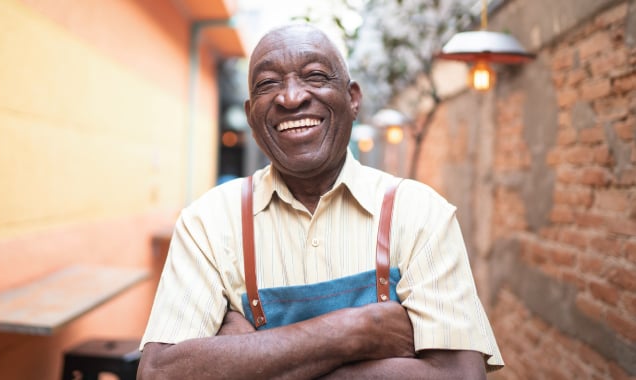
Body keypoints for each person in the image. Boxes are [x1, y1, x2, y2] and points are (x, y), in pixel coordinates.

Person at [138, 23, 503, 379]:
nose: (291, 97)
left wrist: (252, 357)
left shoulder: (421, 214)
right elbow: (160, 373)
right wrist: (358, 331)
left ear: (353, 98)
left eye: (314, 76)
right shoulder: (207, 223)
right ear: (251, 115)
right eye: (268, 83)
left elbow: (459, 374)